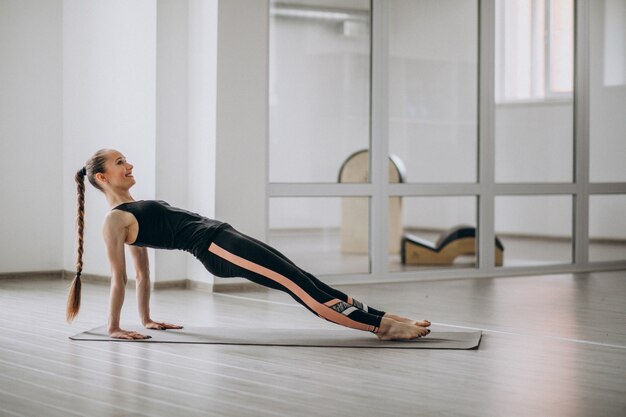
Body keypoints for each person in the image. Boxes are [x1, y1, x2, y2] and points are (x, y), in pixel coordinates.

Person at [66, 149, 431, 341]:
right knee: (297, 286)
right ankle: (381, 329)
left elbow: (144, 277)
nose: (129, 164)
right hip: (215, 249)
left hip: (224, 236)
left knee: (305, 278)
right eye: (119, 162)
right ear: (102, 177)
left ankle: (384, 317)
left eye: (125, 159)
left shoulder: (130, 210)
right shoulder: (115, 220)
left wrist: (146, 319)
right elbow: (123, 278)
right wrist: (114, 326)